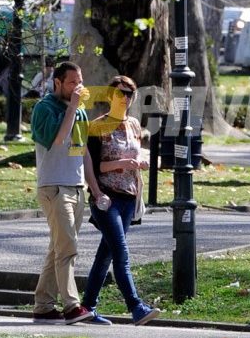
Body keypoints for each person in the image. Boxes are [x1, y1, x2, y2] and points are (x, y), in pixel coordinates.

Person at [81, 75, 160, 327]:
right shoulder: (96, 126)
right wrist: (121, 166)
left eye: (129, 94)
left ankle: (87, 307)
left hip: (128, 198)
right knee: (121, 254)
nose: (125, 98)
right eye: (120, 93)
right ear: (109, 95)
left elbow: (136, 155)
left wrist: (142, 163)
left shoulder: (135, 125)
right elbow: (94, 166)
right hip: (105, 198)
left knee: (106, 254)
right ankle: (136, 307)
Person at [31, 61, 103, 325]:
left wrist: (94, 189)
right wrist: (72, 106)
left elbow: (81, 152)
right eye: (72, 82)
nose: (78, 87)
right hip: (54, 187)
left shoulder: (81, 112)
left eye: (80, 81)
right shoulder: (44, 108)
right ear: (57, 83)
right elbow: (59, 139)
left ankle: (43, 305)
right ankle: (72, 306)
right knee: (68, 247)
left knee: (57, 248)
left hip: (76, 186)